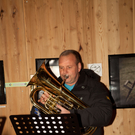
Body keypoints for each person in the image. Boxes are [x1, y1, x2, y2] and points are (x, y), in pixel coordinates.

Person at [31, 50, 114, 135]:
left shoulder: (95, 87)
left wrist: (73, 116)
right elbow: (36, 117)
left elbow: (105, 114)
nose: (64, 72)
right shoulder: (53, 87)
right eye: (61, 67)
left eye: (69, 67)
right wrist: (41, 106)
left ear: (78, 67)